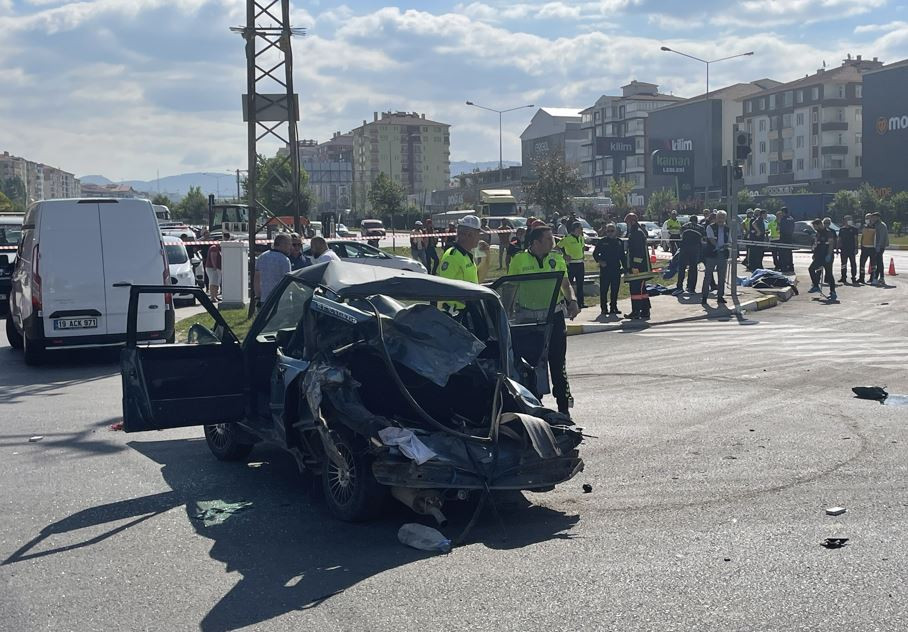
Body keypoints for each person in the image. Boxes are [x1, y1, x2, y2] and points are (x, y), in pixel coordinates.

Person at [508, 224, 580, 414]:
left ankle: (564, 411)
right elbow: (511, 289)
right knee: (530, 367)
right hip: (528, 320)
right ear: (535, 243)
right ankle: (535, 410)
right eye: (548, 239)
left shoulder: (556, 259)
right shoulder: (519, 260)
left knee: (558, 364)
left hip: (553, 318)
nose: (553, 242)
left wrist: (572, 300)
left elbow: (566, 284)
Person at [438, 215, 481, 313]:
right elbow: (445, 288)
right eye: (478, 234)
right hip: (456, 314)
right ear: (469, 235)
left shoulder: (466, 255)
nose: (479, 238)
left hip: (468, 310)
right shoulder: (452, 257)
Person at [623, 213, 652, 320]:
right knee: (642, 290)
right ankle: (645, 310)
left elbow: (638, 252)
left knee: (636, 290)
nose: (627, 225)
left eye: (628, 223)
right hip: (640, 267)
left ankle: (636, 311)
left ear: (632, 222)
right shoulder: (636, 232)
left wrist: (635, 265)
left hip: (638, 268)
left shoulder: (636, 233)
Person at [592, 222, 625, 315]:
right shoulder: (602, 241)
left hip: (616, 269)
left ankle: (613, 307)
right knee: (604, 290)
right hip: (605, 270)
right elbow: (595, 254)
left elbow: (622, 256)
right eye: (608, 231)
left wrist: (626, 268)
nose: (610, 232)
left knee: (615, 290)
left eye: (612, 231)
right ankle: (604, 308)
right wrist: (600, 261)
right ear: (606, 232)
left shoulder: (619, 242)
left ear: (615, 231)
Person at [254, 233, 292, 307]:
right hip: (281, 299)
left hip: (264, 298)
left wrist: (258, 296)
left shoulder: (262, 257)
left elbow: (256, 279)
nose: (290, 247)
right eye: (289, 244)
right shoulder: (284, 260)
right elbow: (288, 281)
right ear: (282, 244)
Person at [701, 210, 730, 306]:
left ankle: (720, 296)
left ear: (725, 218)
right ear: (716, 218)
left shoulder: (727, 229)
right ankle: (704, 297)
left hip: (723, 255)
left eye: (723, 217)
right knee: (708, 276)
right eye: (719, 217)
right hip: (712, 254)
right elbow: (711, 239)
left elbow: (730, 240)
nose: (721, 219)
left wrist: (727, 246)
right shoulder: (710, 227)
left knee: (721, 277)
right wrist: (717, 247)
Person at [558, 221, 586, 309]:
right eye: (580, 228)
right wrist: (564, 255)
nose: (581, 230)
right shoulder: (567, 238)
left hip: (580, 263)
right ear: (575, 229)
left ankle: (581, 303)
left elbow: (582, 247)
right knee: (568, 284)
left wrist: (582, 255)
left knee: (580, 284)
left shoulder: (581, 237)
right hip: (571, 264)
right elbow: (558, 247)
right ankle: (568, 303)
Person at [807, 218, 837, 300]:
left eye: (815, 226)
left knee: (829, 274)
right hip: (819, 256)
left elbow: (831, 245)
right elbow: (816, 244)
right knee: (811, 269)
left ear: (820, 224)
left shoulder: (828, 233)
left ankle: (833, 292)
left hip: (827, 256)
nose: (815, 228)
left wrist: (829, 255)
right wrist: (814, 254)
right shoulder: (818, 233)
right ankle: (816, 286)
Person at [673, 214, 701, 296]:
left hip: (684, 248)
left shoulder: (684, 226)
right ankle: (691, 288)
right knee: (693, 268)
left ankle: (679, 287)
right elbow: (703, 239)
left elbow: (680, 236)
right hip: (695, 249)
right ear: (696, 220)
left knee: (682, 268)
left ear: (689, 220)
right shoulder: (700, 227)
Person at [204, 232, 227, 302]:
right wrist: (215, 267)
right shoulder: (214, 248)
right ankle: (212, 297)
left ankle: (215, 296)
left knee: (216, 282)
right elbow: (213, 257)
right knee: (213, 282)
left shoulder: (219, 248)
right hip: (212, 268)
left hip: (217, 268)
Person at [837, 215, 859, 284]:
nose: (849, 221)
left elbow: (856, 239)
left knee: (853, 264)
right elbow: (839, 239)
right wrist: (837, 248)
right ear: (844, 221)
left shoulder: (854, 229)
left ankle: (853, 277)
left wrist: (856, 248)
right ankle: (843, 277)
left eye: (850, 219)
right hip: (843, 249)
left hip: (851, 249)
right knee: (843, 264)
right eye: (848, 219)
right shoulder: (842, 229)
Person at [871, 211, 889, 286]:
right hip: (876, 245)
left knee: (878, 262)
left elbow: (881, 237)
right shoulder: (876, 224)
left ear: (878, 217)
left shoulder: (881, 225)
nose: (873, 218)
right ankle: (880, 278)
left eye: (874, 217)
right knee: (879, 262)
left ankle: (877, 278)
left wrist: (878, 245)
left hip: (880, 246)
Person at [858, 213, 876, 284]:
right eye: (866, 218)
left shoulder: (875, 227)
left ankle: (872, 278)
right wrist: (861, 246)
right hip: (864, 248)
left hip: (872, 248)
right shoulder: (864, 226)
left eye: (868, 218)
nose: (867, 220)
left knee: (873, 264)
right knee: (862, 264)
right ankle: (861, 278)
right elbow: (863, 236)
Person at [778, 207, 796, 273]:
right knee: (789, 253)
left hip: (784, 237)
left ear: (783, 212)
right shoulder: (791, 218)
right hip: (790, 237)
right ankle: (791, 267)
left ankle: (784, 267)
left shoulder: (783, 219)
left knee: (783, 253)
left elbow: (781, 228)